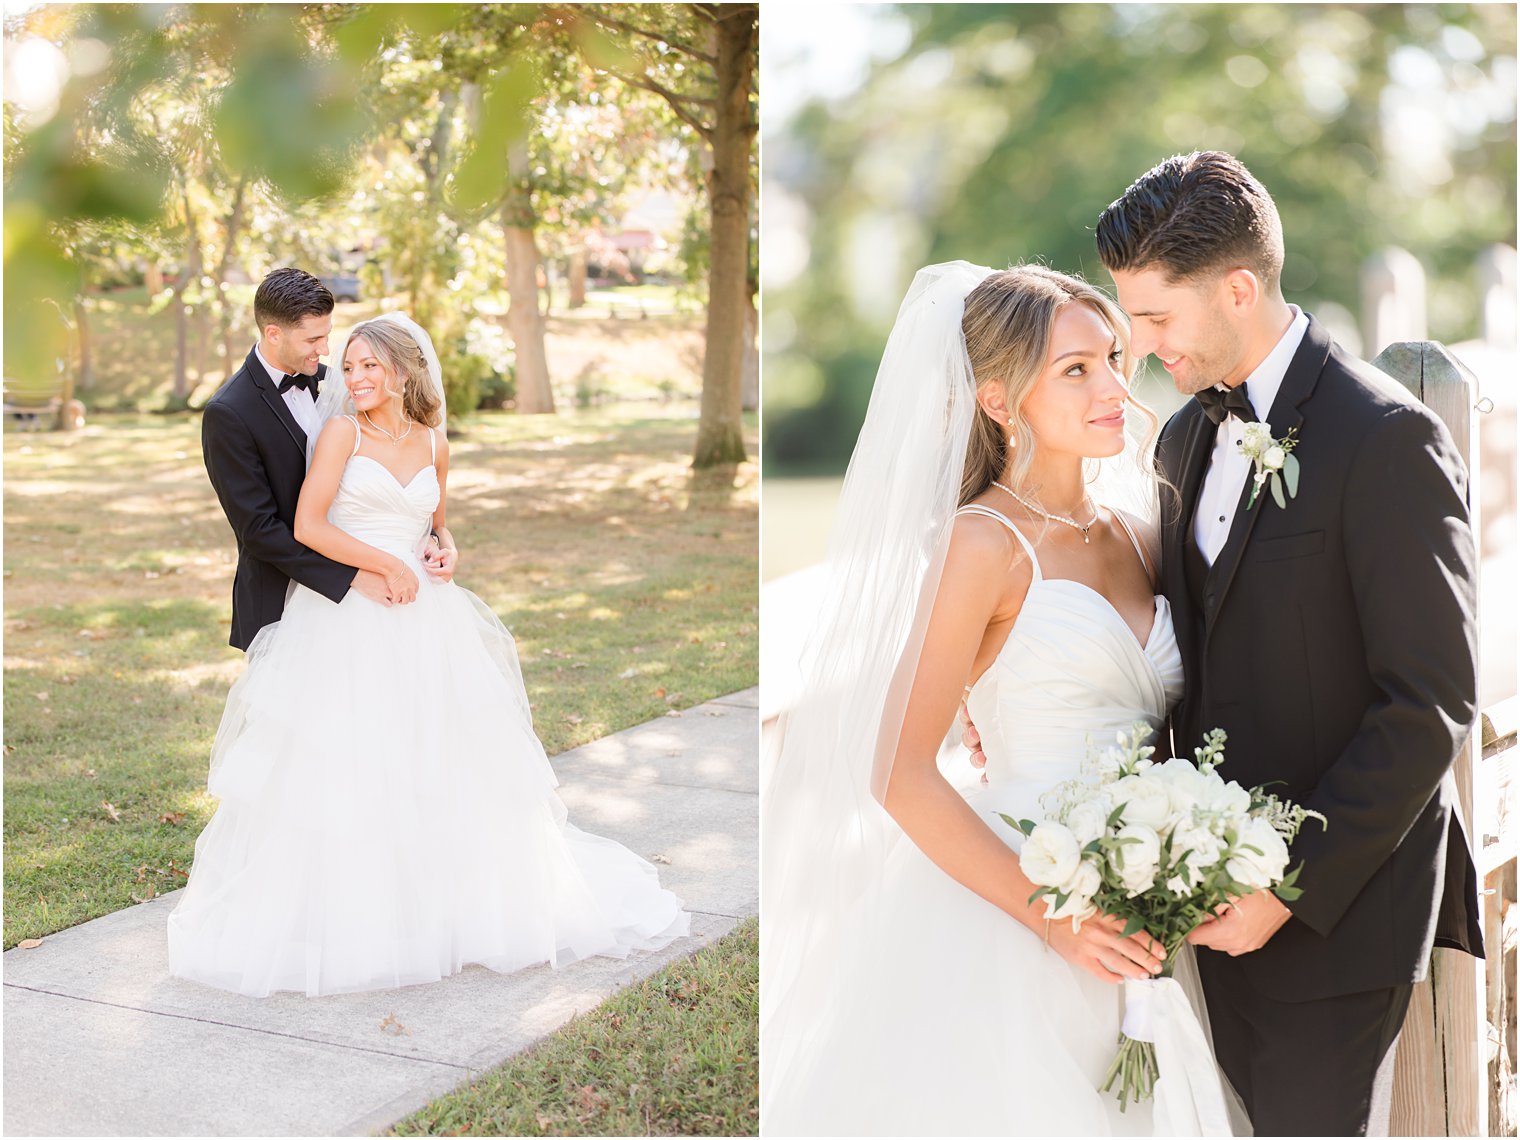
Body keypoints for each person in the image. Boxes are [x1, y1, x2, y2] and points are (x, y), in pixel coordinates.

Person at [761, 263, 1236, 1136]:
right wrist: (1056, 922)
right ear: (996, 399)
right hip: (1018, 904)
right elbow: (899, 773)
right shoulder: (980, 544)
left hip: (1148, 893)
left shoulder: (1140, 528)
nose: (1113, 390)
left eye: (1114, 358)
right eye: (1076, 370)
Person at [1085, 151, 1481, 1136]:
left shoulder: (1383, 437)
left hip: (1335, 911)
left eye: (1154, 318)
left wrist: (1282, 891)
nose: (1135, 346)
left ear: (1235, 287)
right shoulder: (1178, 439)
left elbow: (1428, 701)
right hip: (1201, 909)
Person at [168, 312, 689, 997]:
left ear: (405, 371)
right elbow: (309, 525)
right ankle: (355, 913)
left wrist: (444, 550)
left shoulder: (435, 441)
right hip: (350, 614)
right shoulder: (339, 435)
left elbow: (436, 522)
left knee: (439, 756)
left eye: (368, 367)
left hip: (426, 618)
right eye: (347, 366)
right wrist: (382, 565)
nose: (352, 378)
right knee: (351, 761)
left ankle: (448, 907)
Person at [200, 268, 445, 652]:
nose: (326, 350)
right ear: (273, 334)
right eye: (313, 339)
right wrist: (351, 576)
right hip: (284, 596)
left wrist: (429, 538)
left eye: (327, 335)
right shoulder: (229, 412)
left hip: (383, 583)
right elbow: (259, 530)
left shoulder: (342, 386)